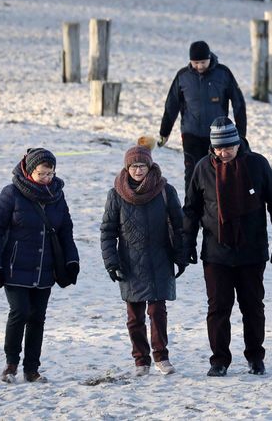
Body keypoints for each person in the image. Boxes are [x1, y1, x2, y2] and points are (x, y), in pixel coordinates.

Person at [182, 117, 272, 377]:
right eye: (219, 148)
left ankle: (255, 356)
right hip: (216, 251)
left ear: (237, 143)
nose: (224, 152)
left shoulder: (257, 164)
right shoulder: (203, 168)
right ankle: (219, 360)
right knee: (218, 307)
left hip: (251, 251)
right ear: (213, 148)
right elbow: (192, 209)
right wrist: (187, 242)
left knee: (252, 306)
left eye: (229, 147)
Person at [0, 148, 80, 384]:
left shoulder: (57, 195)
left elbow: (66, 231)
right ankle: (11, 364)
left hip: (45, 267)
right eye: (42, 174)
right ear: (29, 171)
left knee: (38, 317)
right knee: (20, 312)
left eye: (51, 173)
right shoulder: (12, 194)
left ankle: (32, 369)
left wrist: (72, 261)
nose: (47, 178)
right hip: (15, 267)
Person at [100, 145, 186, 376]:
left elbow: (179, 226)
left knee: (157, 312)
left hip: (160, 258)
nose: (138, 170)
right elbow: (108, 231)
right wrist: (112, 262)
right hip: (130, 261)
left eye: (143, 166)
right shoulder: (116, 194)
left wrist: (181, 255)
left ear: (150, 166)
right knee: (134, 316)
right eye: (134, 166)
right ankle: (141, 360)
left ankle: (161, 356)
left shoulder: (165, 190)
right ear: (127, 168)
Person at [159, 40, 248, 189]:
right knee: (192, 173)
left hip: (217, 136)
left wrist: (241, 134)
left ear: (210, 58)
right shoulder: (183, 76)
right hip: (191, 134)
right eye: (196, 62)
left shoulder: (223, 73)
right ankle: (190, 211)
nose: (199, 66)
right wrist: (164, 131)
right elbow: (171, 105)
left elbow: (239, 104)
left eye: (203, 62)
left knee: (216, 173)